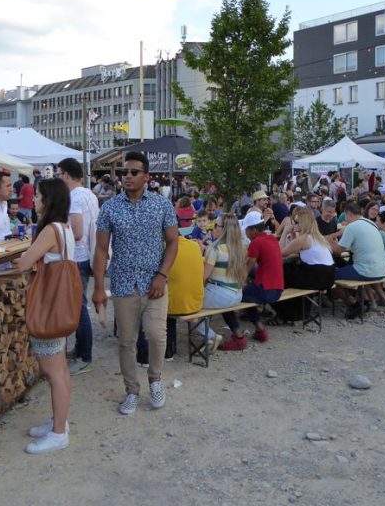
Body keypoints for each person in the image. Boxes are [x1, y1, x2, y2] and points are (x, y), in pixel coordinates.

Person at [92, 152, 178, 416]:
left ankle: (155, 380)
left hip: (155, 282)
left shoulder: (162, 205)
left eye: (133, 172)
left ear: (146, 177)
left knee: (156, 334)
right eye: (124, 172)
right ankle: (131, 390)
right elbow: (101, 249)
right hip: (123, 283)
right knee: (126, 341)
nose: (127, 176)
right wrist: (97, 287)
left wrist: (162, 275)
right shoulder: (110, 207)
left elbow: (173, 242)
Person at [16, 178, 77, 454]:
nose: (34, 200)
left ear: (48, 200)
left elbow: (25, 263)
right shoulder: (64, 228)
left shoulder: (50, 230)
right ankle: (59, 421)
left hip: (48, 310)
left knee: (54, 373)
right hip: (60, 309)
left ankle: (59, 432)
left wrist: (17, 259)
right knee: (60, 369)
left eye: (39, 196)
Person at [217, 212, 284, 350]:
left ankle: (238, 337)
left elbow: (245, 270)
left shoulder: (256, 242)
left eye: (246, 230)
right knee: (246, 295)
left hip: (265, 290)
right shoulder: (271, 238)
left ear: (253, 230)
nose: (245, 233)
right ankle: (259, 330)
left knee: (226, 299)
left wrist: (233, 285)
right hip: (278, 289)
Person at [58, 158, 99, 373]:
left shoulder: (74, 197)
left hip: (77, 256)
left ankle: (85, 355)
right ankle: (81, 349)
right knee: (79, 305)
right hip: (86, 255)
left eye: (59, 174)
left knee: (79, 307)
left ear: (66, 175)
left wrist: (58, 237)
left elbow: (77, 231)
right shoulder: (89, 194)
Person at [194, 214, 247, 350]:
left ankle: (211, 337)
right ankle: (209, 338)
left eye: (216, 225)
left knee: (187, 308)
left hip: (220, 294)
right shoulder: (240, 246)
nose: (213, 228)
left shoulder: (215, 248)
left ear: (223, 229)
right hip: (237, 295)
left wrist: (199, 253)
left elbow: (203, 277)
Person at [331, 201, 385, 316]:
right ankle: (367, 301)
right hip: (382, 269)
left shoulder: (352, 226)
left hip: (365, 271)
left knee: (329, 277)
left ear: (348, 214)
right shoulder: (371, 223)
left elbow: (338, 251)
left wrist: (331, 240)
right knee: (349, 267)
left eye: (345, 215)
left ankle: (353, 304)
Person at [279, 208, 335, 290]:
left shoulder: (303, 239)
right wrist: (293, 233)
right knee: (290, 268)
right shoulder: (318, 236)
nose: (294, 224)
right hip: (329, 277)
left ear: (302, 224)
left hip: (318, 278)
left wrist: (284, 232)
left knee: (284, 270)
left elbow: (279, 253)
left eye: (296, 222)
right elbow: (296, 249)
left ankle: (282, 301)